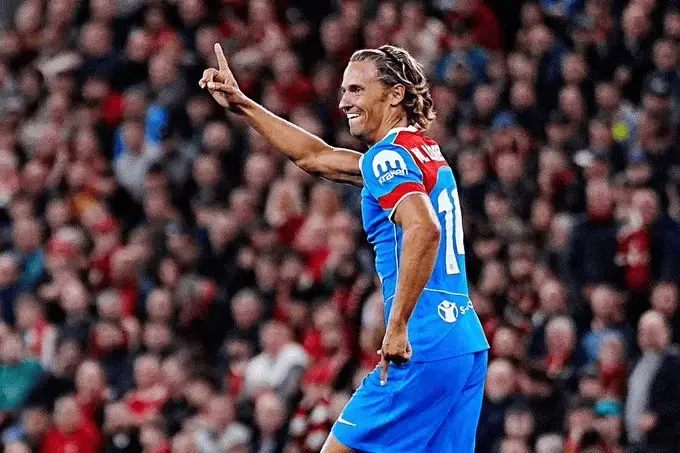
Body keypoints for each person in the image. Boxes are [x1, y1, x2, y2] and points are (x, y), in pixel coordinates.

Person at [199, 43, 489, 452]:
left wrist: (397, 325)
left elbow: (424, 228)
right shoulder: (422, 152)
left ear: (395, 94)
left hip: (422, 341)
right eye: (343, 91)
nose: (343, 102)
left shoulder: (387, 157)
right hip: (464, 340)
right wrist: (243, 104)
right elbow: (316, 157)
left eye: (356, 90)